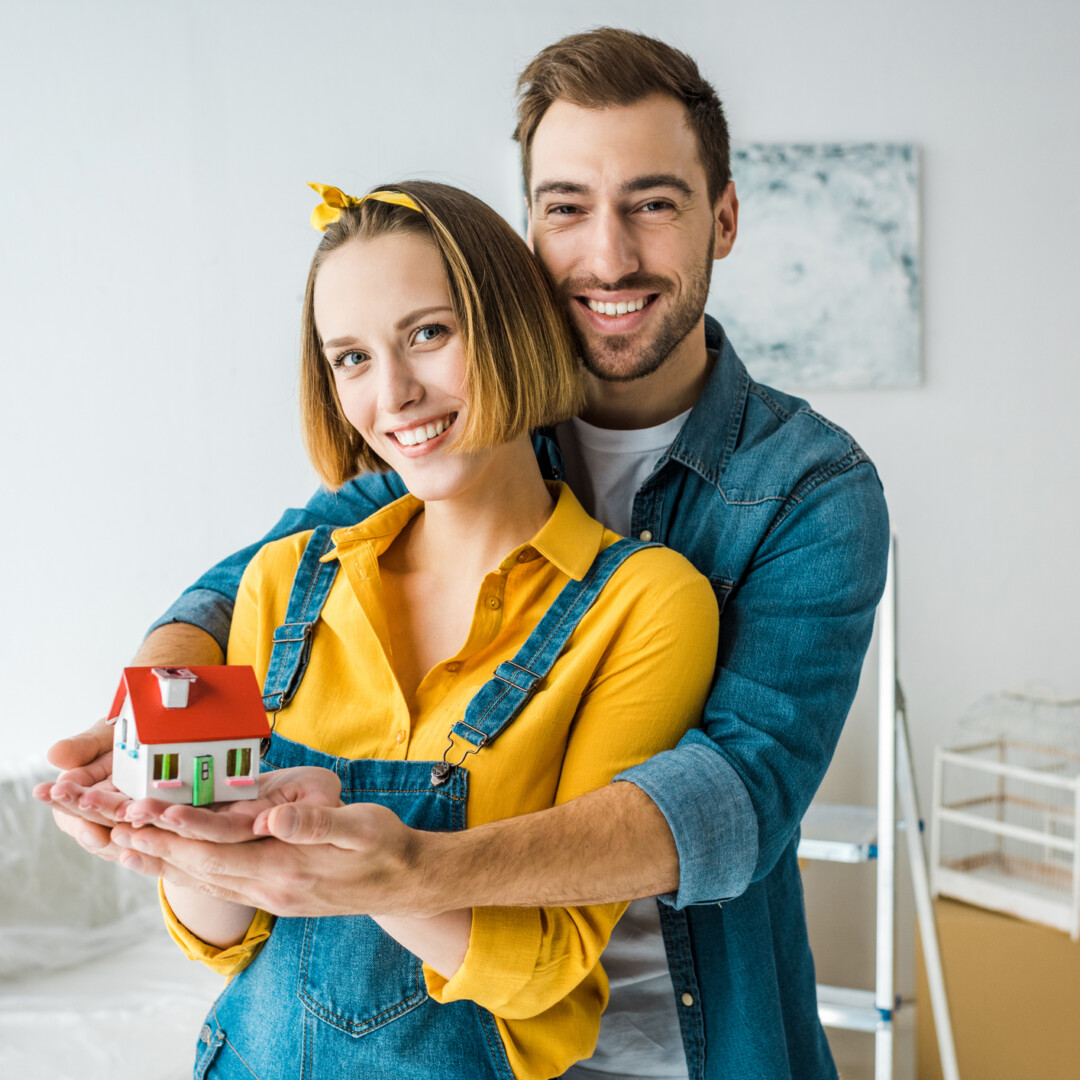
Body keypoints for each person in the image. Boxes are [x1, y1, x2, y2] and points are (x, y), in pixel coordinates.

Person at [40, 27, 890, 1080]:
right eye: (568, 205)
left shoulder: (811, 490)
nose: (610, 256)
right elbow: (242, 590)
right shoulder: (448, 442)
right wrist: (153, 739)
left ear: (722, 216)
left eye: (654, 203)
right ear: (526, 228)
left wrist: (408, 869)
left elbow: (731, 797)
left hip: (687, 1035)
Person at [84, 179, 718, 1079]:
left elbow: (550, 967)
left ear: (509, 326)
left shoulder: (643, 605)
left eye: (429, 334)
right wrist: (171, 834)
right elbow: (224, 943)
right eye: (350, 358)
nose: (395, 395)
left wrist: (380, 873)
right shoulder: (282, 581)